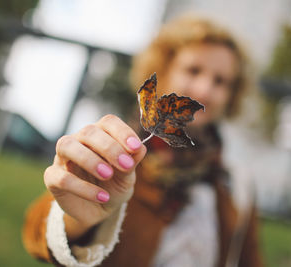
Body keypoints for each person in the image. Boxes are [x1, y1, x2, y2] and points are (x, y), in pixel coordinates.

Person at [23, 15, 263, 267]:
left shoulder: (236, 184)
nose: (205, 90)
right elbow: (35, 233)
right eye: (193, 70)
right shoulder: (118, 152)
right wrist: (76, 219)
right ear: (163, 70)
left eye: (220, 81)